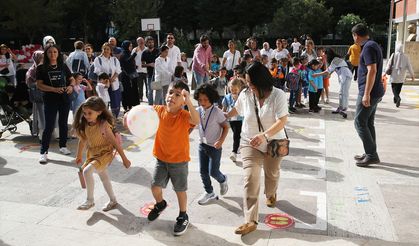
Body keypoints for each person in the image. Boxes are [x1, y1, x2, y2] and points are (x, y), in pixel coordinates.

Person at [225, 61, 288, 235]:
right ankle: (250, 220)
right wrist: (223, 116)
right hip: (249, 142)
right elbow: (236, 110)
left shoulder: (278, 95)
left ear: (261, 82)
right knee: (250, 178)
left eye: (251, 83)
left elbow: (282, 120)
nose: (248, 86)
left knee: (272, 174)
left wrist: (264, 135)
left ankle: (271, 193)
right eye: (247, 82)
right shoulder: (246, 94)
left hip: (274, 143)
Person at [143, 81, 199, 236]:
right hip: (161, 159)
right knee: (155, 186)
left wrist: (189, 100)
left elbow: (196, 120)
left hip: (179, 161)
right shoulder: (159, 110)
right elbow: (143, 112)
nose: (172, 96)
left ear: (183, 100)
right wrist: (131, 115)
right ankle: (160, 204)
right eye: (170, 92)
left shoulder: (184, 115)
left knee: (180, 190)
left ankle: (183, 215)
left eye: (178, 95)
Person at [73, 96, 131, 211]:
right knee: (104, 177)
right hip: (93, 153)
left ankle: (90, 200)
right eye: (84, 113)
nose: (86, 116)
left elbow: (115, 143)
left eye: (90, 113)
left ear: (99, 112)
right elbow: (82, 140)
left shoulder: (103, 125)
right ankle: (113, 200)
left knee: (87, 171)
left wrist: (124, 159)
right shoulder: (85, 123)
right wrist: (79, 155)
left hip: (105, 153)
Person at [351, 23, 385, 167]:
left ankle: (372, 155)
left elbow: (372, 70)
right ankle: (370, 152)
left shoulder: (368, 48)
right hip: (375, 91)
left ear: (356, 36)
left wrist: (366, 94)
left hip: (369, 92)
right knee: (368, 123)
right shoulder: (373, 45)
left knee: (359, 122)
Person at [36, 45, 75, 164]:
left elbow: (71, 79)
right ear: (46, 54)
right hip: (50, 99)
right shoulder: (41, 67)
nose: (52, 54)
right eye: (50, 52)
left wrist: (71, 86)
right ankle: (43, 152)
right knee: (49, 126)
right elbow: (39, 85)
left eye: (55, 52)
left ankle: (63, 146)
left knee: (63, 124)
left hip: (64, 98)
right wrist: (53, 89)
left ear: (58, 53)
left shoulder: (63, 66)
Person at [194, 83, 229, 205]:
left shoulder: (217, 112)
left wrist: (221, 141)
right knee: (203, 171)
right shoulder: (197, 111)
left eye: (205, 100)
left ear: (211, 99)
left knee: (213, 172)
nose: (202, 102)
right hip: (202, 145)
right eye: (200, 100)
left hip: (214, 147)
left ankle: (223, 179)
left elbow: (226, 127)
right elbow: (191, 124)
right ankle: (209, 192)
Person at [313, 48, 352, 118]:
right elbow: (333, 69)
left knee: (344, 92)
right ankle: (340, 108)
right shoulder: (335, 60)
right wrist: (329, 74)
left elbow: (327, 71)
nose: (324, 56)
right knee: (341, 92)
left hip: (345, 75)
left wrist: (317, 75)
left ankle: (344, 109)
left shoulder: (335, 60)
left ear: (329, 54)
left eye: (325, 55)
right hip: (343, 75)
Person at [93, 42, 122, 119]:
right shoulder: (98, 59)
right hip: (103, 83)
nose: (106, 50)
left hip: (114, 83)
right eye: (104, 49)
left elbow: (118, 70)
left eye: (107, 49)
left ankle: (114, 117)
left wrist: (112, 78)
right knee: (104, 101)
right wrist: (107, 79)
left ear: (110, 51)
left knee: (115, 101)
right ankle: (104, 117)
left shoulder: (114, 59)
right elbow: (97, 71)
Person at [222, 78, 244, 162]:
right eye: (232, 89)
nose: (233, 91)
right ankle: (237, 148)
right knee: (236, 134)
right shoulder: (227, 97)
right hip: (231, 119)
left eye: (235, 90)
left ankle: (234, 152)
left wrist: (237, 99)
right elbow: (224, 108)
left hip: (240, 119)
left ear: (239, 89)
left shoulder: (242, 97)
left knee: (237, 135)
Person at [26, 51, 44, 138]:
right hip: (38, 96)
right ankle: (40, 134)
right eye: (41, 58)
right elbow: (29, 83)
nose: (43, 59)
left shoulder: (45, 67)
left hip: (47, 95)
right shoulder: (32, 70)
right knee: (40, 116)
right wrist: (39, 84)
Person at [119, 40, 140, 112]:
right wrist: (135, 53)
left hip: (132, 77)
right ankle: (126, 107)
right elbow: (127, 62)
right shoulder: (123, 54)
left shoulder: (128, 54)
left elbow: (130, 63)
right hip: (126, 77)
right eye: (130, 46)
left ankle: (131, 106)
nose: (131, 47)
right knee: (126, 92)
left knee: (131, 92)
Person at [142, 36, 160, 105]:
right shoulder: (144, 53)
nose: (151, 44)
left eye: (152, 42)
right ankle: (150, 105)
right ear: (146, 43)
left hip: (157, 75)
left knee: (158, 91)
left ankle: (159, 105)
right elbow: (142, 65)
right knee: (150, 91)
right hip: (149, 75)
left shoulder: (158, 51)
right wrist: (149, 64)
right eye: (149, 42)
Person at [132, 37, 147, 102]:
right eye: (139, 41)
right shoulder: (135, 50)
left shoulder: (147, 49)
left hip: (147, 70)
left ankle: (148, 96)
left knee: (148, 86)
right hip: (138, 71)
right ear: (137, 42)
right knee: (140, 86)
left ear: (144, 41)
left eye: (142, 41)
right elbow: (131, 59)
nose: (141, 42)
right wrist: (134, 65)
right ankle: (140, 97)